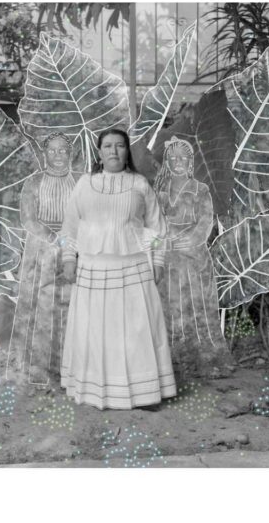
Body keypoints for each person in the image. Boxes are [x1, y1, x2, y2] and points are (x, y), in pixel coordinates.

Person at [58, 128, 176, 409]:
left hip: (132, 267)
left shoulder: (139, 185)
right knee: (95, 330)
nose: (114, 151)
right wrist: (68, 258)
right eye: (108, 146)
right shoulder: (84, 184)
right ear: (99, 152)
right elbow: (69, 226)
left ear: (127, 152)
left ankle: (144, 393)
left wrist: (157, 262)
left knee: (135, 332)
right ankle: (94, 390)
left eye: (120, 146)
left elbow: (157, 227)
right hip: (92, 268)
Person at [154, 136, 234, 379]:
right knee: (169, 307)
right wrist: (166, 240)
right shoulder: (160, 192)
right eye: (173, 157)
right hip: (168, 259)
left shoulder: (201, 190)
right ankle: (171, 360)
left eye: (183, 157)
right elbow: (154, 223)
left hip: (194, 257)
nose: (178, 162)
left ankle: (204, 358)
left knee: (195, 307)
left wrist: (190, 240)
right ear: (167, 161)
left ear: (191, 162)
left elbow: (205, 221)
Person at [7, 132, 77, 386]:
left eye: (63, 151)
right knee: (43, 307)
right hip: (42, 250)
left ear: (71, 153)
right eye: (52, 151)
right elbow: (28, 218)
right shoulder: (33, 183)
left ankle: (73, 367)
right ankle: (39, 367)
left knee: (73, 304)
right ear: (44, 154)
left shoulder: (81, 181)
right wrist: (53, 237)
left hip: (74, 247)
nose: (58, 156)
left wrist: (71, 240)